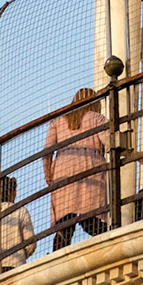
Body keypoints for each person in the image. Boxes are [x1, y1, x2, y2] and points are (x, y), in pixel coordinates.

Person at [43, 87, 110, 248]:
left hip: (62, 169)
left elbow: (46, 152)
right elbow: (110, 141)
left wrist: (49, 175)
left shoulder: (58, 121)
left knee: (64, 223)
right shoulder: (97, 118)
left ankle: (57, 258)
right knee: (92, 218)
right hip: (90, 167)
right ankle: (108, 245)